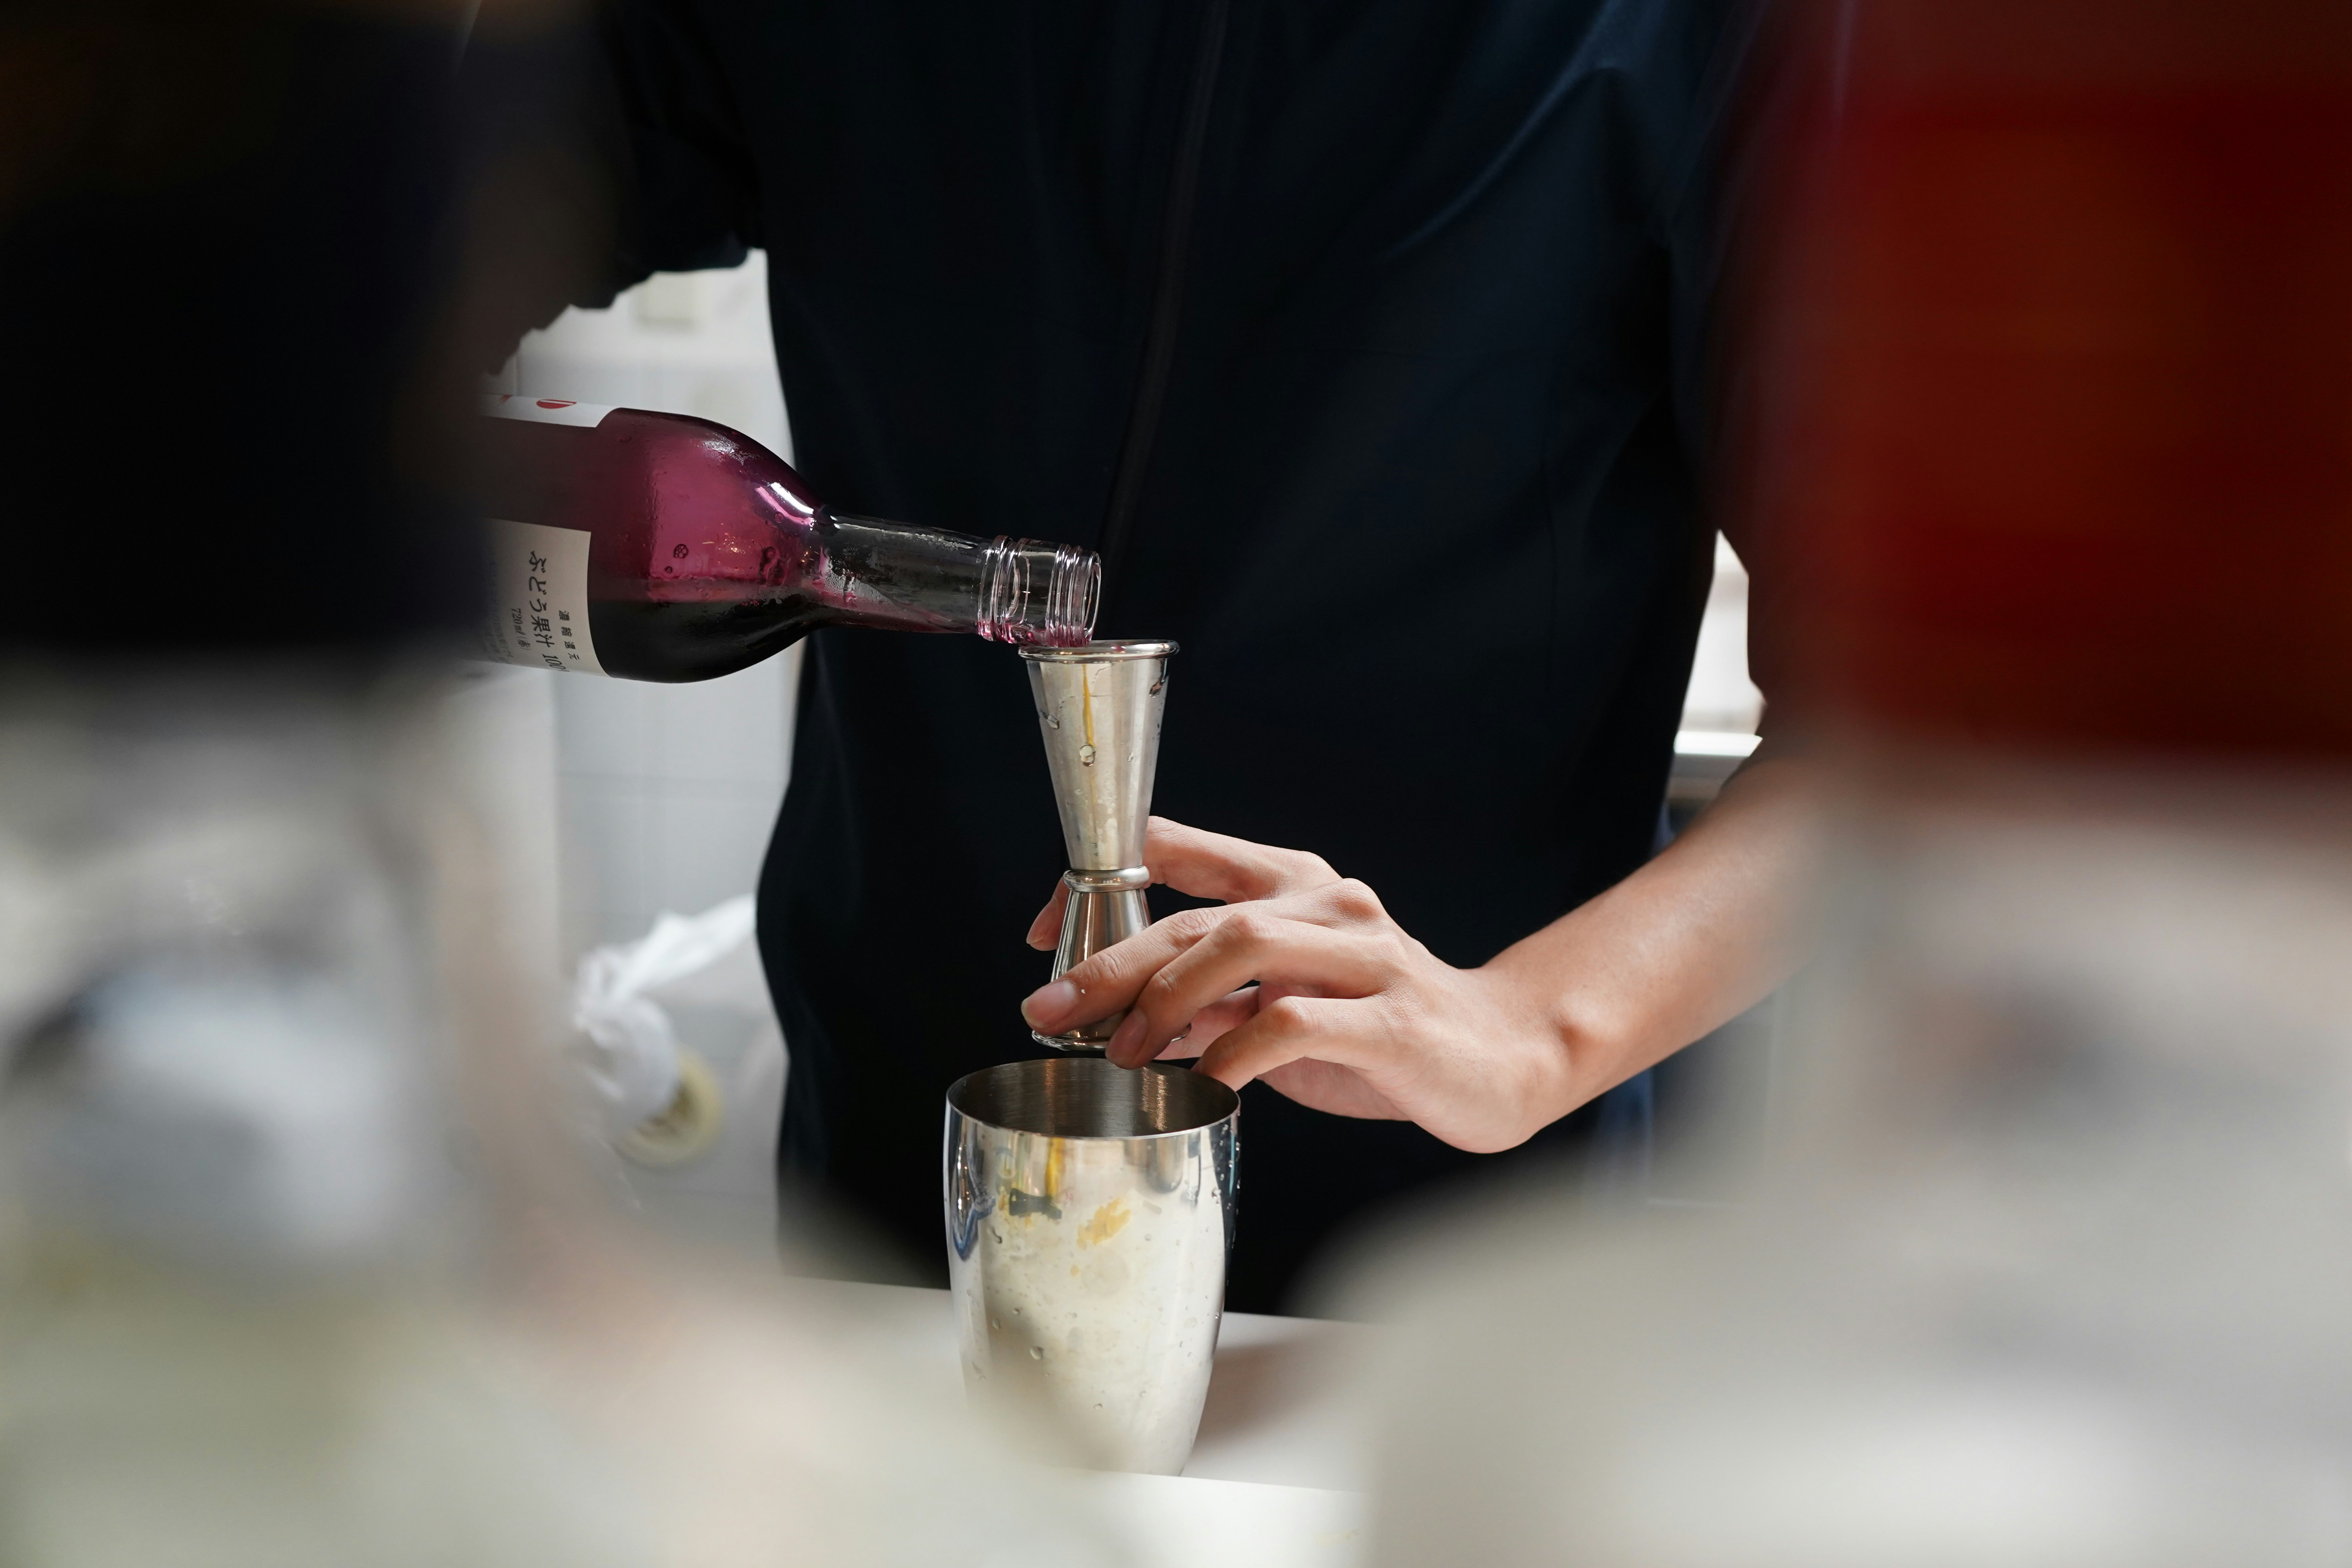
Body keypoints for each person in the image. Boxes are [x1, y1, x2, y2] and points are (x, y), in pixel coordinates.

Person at [473, 0, 1817, 1312]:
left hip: (1446, 1271)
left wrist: (1534, 1030)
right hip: (907, 1199)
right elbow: (429, 225)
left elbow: (1920, 748)